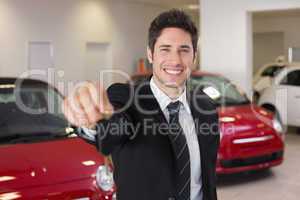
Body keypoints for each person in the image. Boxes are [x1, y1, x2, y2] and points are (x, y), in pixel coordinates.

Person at [63, 9, 219, 200]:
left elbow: (207, 180)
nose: (175, 60)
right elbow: (112, 130)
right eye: (165, 49)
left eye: (184, 50)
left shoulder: (206, 107)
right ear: (151, 54)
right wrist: (91, 119)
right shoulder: (125, 97)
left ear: (194, 56)